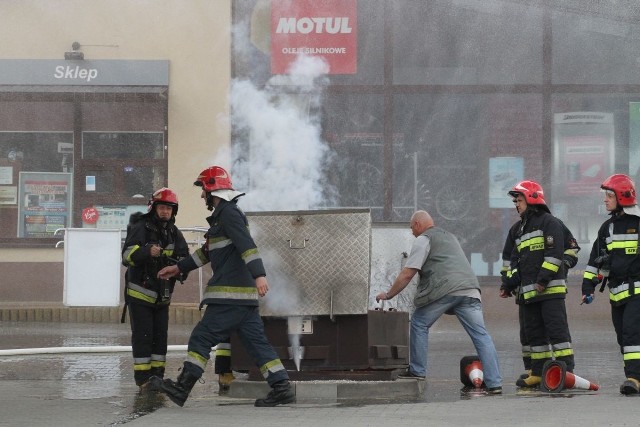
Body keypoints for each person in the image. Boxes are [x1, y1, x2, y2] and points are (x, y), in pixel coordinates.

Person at [150, 165, 295, 407]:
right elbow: (206, 253)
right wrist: (178, 268)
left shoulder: (228, 213)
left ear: (210, 187)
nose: (201, 196)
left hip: (230, 297)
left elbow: (246, 244)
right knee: (257, 345)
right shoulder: (222, 218)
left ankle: (182, 387)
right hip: (243, 300)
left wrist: (259, 275)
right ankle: (282, 387)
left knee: (201, 336)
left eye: (202, 190)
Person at [375, 210, 502, 394]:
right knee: (481, 336)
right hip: (470, 289)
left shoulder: (424, 239)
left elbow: (408, 273)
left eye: (412, 228)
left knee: (419, 323)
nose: (412, 233)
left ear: (418, 224)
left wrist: (388, 295)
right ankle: (495, 383)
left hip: (446, 289)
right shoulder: (450, 237)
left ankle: (417, 371)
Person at [499, 180, 580, 381]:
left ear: (531, 199)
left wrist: (546, 277)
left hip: (550, 291)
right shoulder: (516, 229)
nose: (516, 204)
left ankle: (565, 373)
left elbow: (557, 255)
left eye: (519, 200)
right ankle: (538, 373)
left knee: (557, 332)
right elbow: (509, 260)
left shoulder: (550, 223)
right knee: (533, 335)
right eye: (515, 201)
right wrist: (507, 284)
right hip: (527, 293)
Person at [121, 187, 189, 391]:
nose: (165, 212)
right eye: (162, 207)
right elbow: (125, 256)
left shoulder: (174, 233)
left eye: (169, 208)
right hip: (140, 295)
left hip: (162, 298)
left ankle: (157, 378)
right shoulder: (141, 227)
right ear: (154, 208)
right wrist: (145, 251)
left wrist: (180, 270)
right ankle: (143, 380)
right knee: (143, 338)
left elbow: (185, 259)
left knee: (160, 339)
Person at [582, 174, 640, 394]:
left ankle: (634, 378)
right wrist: (588, 288)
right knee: (623, 338)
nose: (605, 200)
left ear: (623, 196)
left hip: (637, 292)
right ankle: (634, 376)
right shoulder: (608, 228)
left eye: (609, 195)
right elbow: (595, 261)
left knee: (632, 336)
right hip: (617, 295)